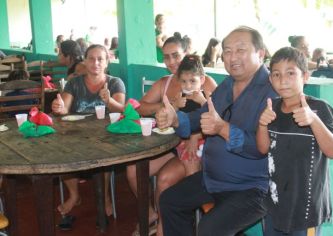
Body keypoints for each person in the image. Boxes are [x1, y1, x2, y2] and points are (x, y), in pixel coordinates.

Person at [155, 26, 276, 236]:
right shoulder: (228, 84)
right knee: (170, 201)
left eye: (240, 50)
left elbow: (261, 148)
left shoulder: (272, 92)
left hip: (252, 187)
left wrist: (222, 128)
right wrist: (176, 119)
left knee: (209, 228)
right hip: (214, 179)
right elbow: (200, 116)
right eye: (227, 51)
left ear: (261, 53)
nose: (232, 57)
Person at [129, 34, 217, 236]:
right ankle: (152, 215)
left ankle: (168, 227)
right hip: (171, 145)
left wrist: (194, 136)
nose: (171, 62)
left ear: (186, 54)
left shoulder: (205, 82)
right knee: (133, 171)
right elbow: (139, 107)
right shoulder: (164, 83)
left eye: (175, 55)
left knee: (166, 179)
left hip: (198, 147)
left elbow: (219, 115)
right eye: (166, 57)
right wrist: (168, 105)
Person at [256, 47, 333, 235]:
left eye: (290, 73)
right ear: (270, 79)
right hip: (274, 205)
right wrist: (262, 125)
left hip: (306, 210)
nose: (283, 80)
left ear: (305, 76)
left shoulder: (320, 108)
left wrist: (313, 120)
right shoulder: (272, 109)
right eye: (276, 75)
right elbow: (263, 149)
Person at [52, 44, 126, 222]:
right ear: (84, 61)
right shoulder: (74, 83)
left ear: (107, 62)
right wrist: (59, 108)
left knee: (105, 154)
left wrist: (108, 100)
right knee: (61, 152)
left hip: (107, 134)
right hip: (77, 134)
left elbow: (122, 109)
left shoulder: (115, 82)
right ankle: (74, 194)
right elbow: (64, 109)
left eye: (100, 59)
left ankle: (106, 196)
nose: (96, 63)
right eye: (91, 58)